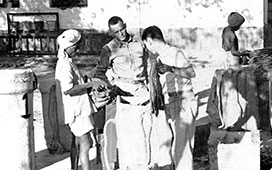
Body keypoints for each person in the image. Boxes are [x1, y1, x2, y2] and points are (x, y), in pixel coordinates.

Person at [93, 16, 152, 170]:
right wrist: (111, 88)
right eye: (116, 32)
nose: (121, 33)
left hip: (143, 91)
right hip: (124, 93)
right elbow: (99, 72)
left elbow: (148, 64)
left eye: (122, 29)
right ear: (111, 33)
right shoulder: (109, 48)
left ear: (125, 25)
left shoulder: (139, 43)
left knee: (147, 134)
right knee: (128, 138)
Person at [141, 25, 198, 170]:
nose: (147, 48)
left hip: (183, 100)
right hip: (169, 102)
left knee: (182, 150)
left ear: (149, 41)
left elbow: (191, 72)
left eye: (146, 44)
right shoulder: (159, 57)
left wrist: (171, 68)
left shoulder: (174, 53)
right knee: (166, 147)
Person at [55, 29, 106, 170]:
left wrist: (87, 79)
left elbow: (75, 82)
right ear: (68, 47)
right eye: (76, 48)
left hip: (78, 107)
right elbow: (68, 89)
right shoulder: (65, 65)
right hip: (77, 110)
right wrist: (90, 85)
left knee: (77, 143)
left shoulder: (67, 62)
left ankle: (74, 168)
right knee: (86, 144)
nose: (77, 51)